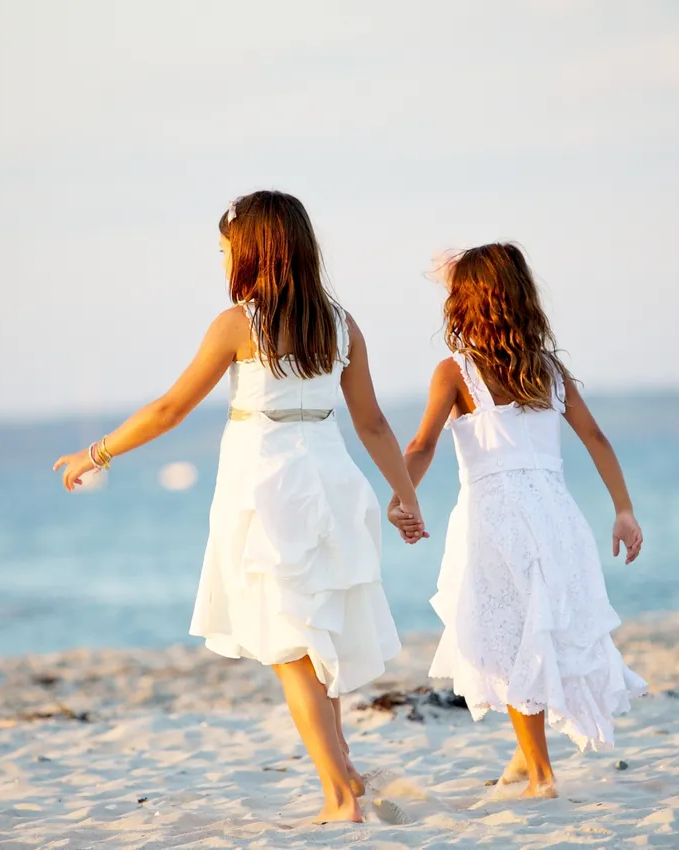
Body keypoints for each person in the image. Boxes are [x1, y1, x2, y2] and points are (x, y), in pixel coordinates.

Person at [54, 190, 425, 823]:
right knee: (315, 640)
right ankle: (350, 778)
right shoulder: (340, 323)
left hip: (269, 488)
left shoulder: (239, 323)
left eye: (226, 245)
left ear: (254, 249)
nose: (222, 255)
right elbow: (373, 423)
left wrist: (97, 452)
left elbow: (170, 410)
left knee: (292, 651)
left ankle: (339, 799)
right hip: (331, 481)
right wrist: (405, 495)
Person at [388, 243, 646, 799]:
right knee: (538, 630)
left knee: (509, 641)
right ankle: (524, 759)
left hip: (496, 516)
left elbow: (421, 444)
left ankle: (543, 776)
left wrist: (401, 496)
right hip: (556, 516)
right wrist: (622, 509)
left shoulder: (455, 371)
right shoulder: (549, 370)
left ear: (466, 303)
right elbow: (596, 438)